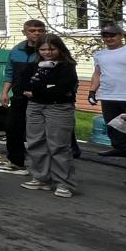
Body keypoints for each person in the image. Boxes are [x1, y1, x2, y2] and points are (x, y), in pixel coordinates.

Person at [18, 34, 79, 198]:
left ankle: (64, 183)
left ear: (60, 49)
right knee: (35, 142)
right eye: (43, 49)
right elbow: (24, 85)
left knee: (58, 145)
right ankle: (41, 178)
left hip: (59, 107)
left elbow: (63, 88)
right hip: (35, 107)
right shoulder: (33, 66)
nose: (47, 52)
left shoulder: (67, 66)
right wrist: (46, 88)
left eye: (52, 49)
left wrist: (39, 90)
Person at [0, 20, 47, 175]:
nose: (36, 33)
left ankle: (41, 169)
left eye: (40, 30)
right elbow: (9, 72)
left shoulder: (49, 50)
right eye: (32, 30)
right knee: (12, 127)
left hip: (42, 98)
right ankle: (16, 163)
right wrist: (5, 92)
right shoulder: (16, 50)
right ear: (24, 32)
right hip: (19, 96)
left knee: (38, 132)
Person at [90, 24, 126, 159]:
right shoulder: (99, 54)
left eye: (112, 35)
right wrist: (92, 91)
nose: (108, 38)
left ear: (121, 36)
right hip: (108, 95)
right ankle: (119, 148)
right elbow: (97, 74)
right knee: (112, 124)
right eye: (105, 36)